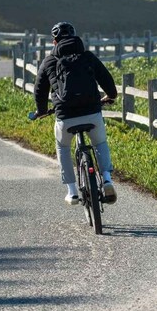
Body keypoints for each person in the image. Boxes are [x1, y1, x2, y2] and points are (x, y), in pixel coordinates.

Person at [34, 21, 119, 205]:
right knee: (100, 142)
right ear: (74, 37)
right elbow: (106, 79)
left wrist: (41, 111)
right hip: (92, 112)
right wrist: (110, 96)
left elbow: (40, 90)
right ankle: (106, 179)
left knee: (63, 147)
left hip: (65, 117)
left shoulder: (49, 61)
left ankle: (72, 191)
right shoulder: (87, 56)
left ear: (54, 41)